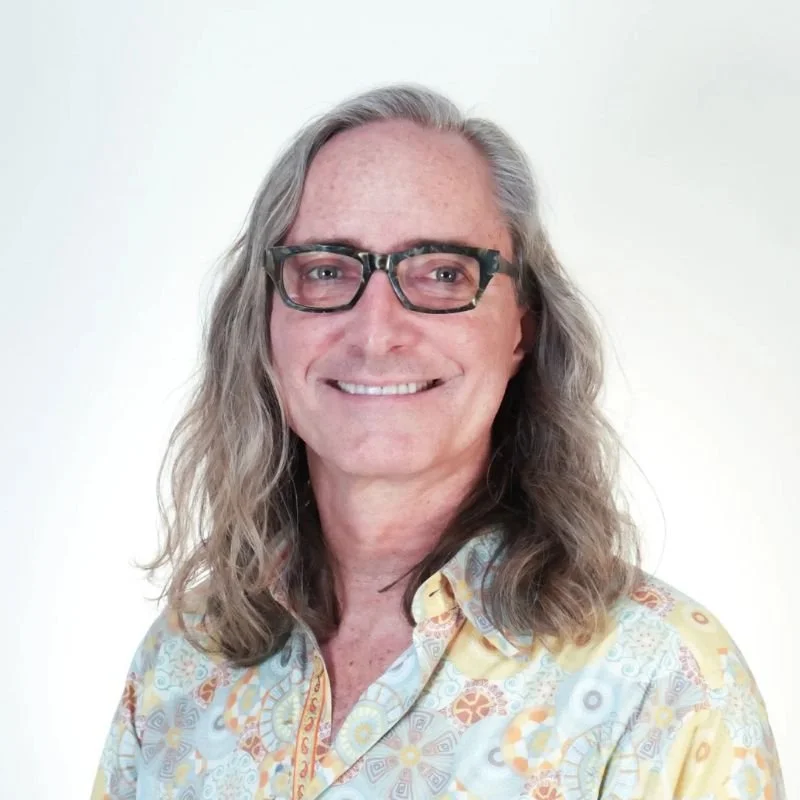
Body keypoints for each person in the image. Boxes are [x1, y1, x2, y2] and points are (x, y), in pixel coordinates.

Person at [91, 84, 785, 799]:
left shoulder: (665, 679)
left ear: (523, 325)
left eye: (444, 273)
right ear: (262, 322)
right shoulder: (183, 660)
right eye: (327, 270)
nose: (376, 332)